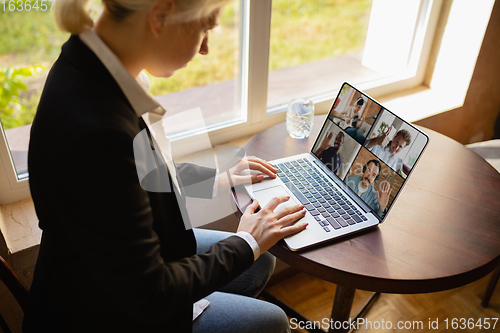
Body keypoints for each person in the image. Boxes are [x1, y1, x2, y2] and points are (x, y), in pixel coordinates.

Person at [23, 0, 309, 332]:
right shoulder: (97, 133)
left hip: (115, 267)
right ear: (160, 15)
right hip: (107, 311)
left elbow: (142, 174)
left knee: (262, 262)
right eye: (205, 28)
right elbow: (152, 295)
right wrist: (247, 241)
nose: (205, 49)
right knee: (272, 319)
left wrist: (217, 178)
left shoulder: (97, 65)